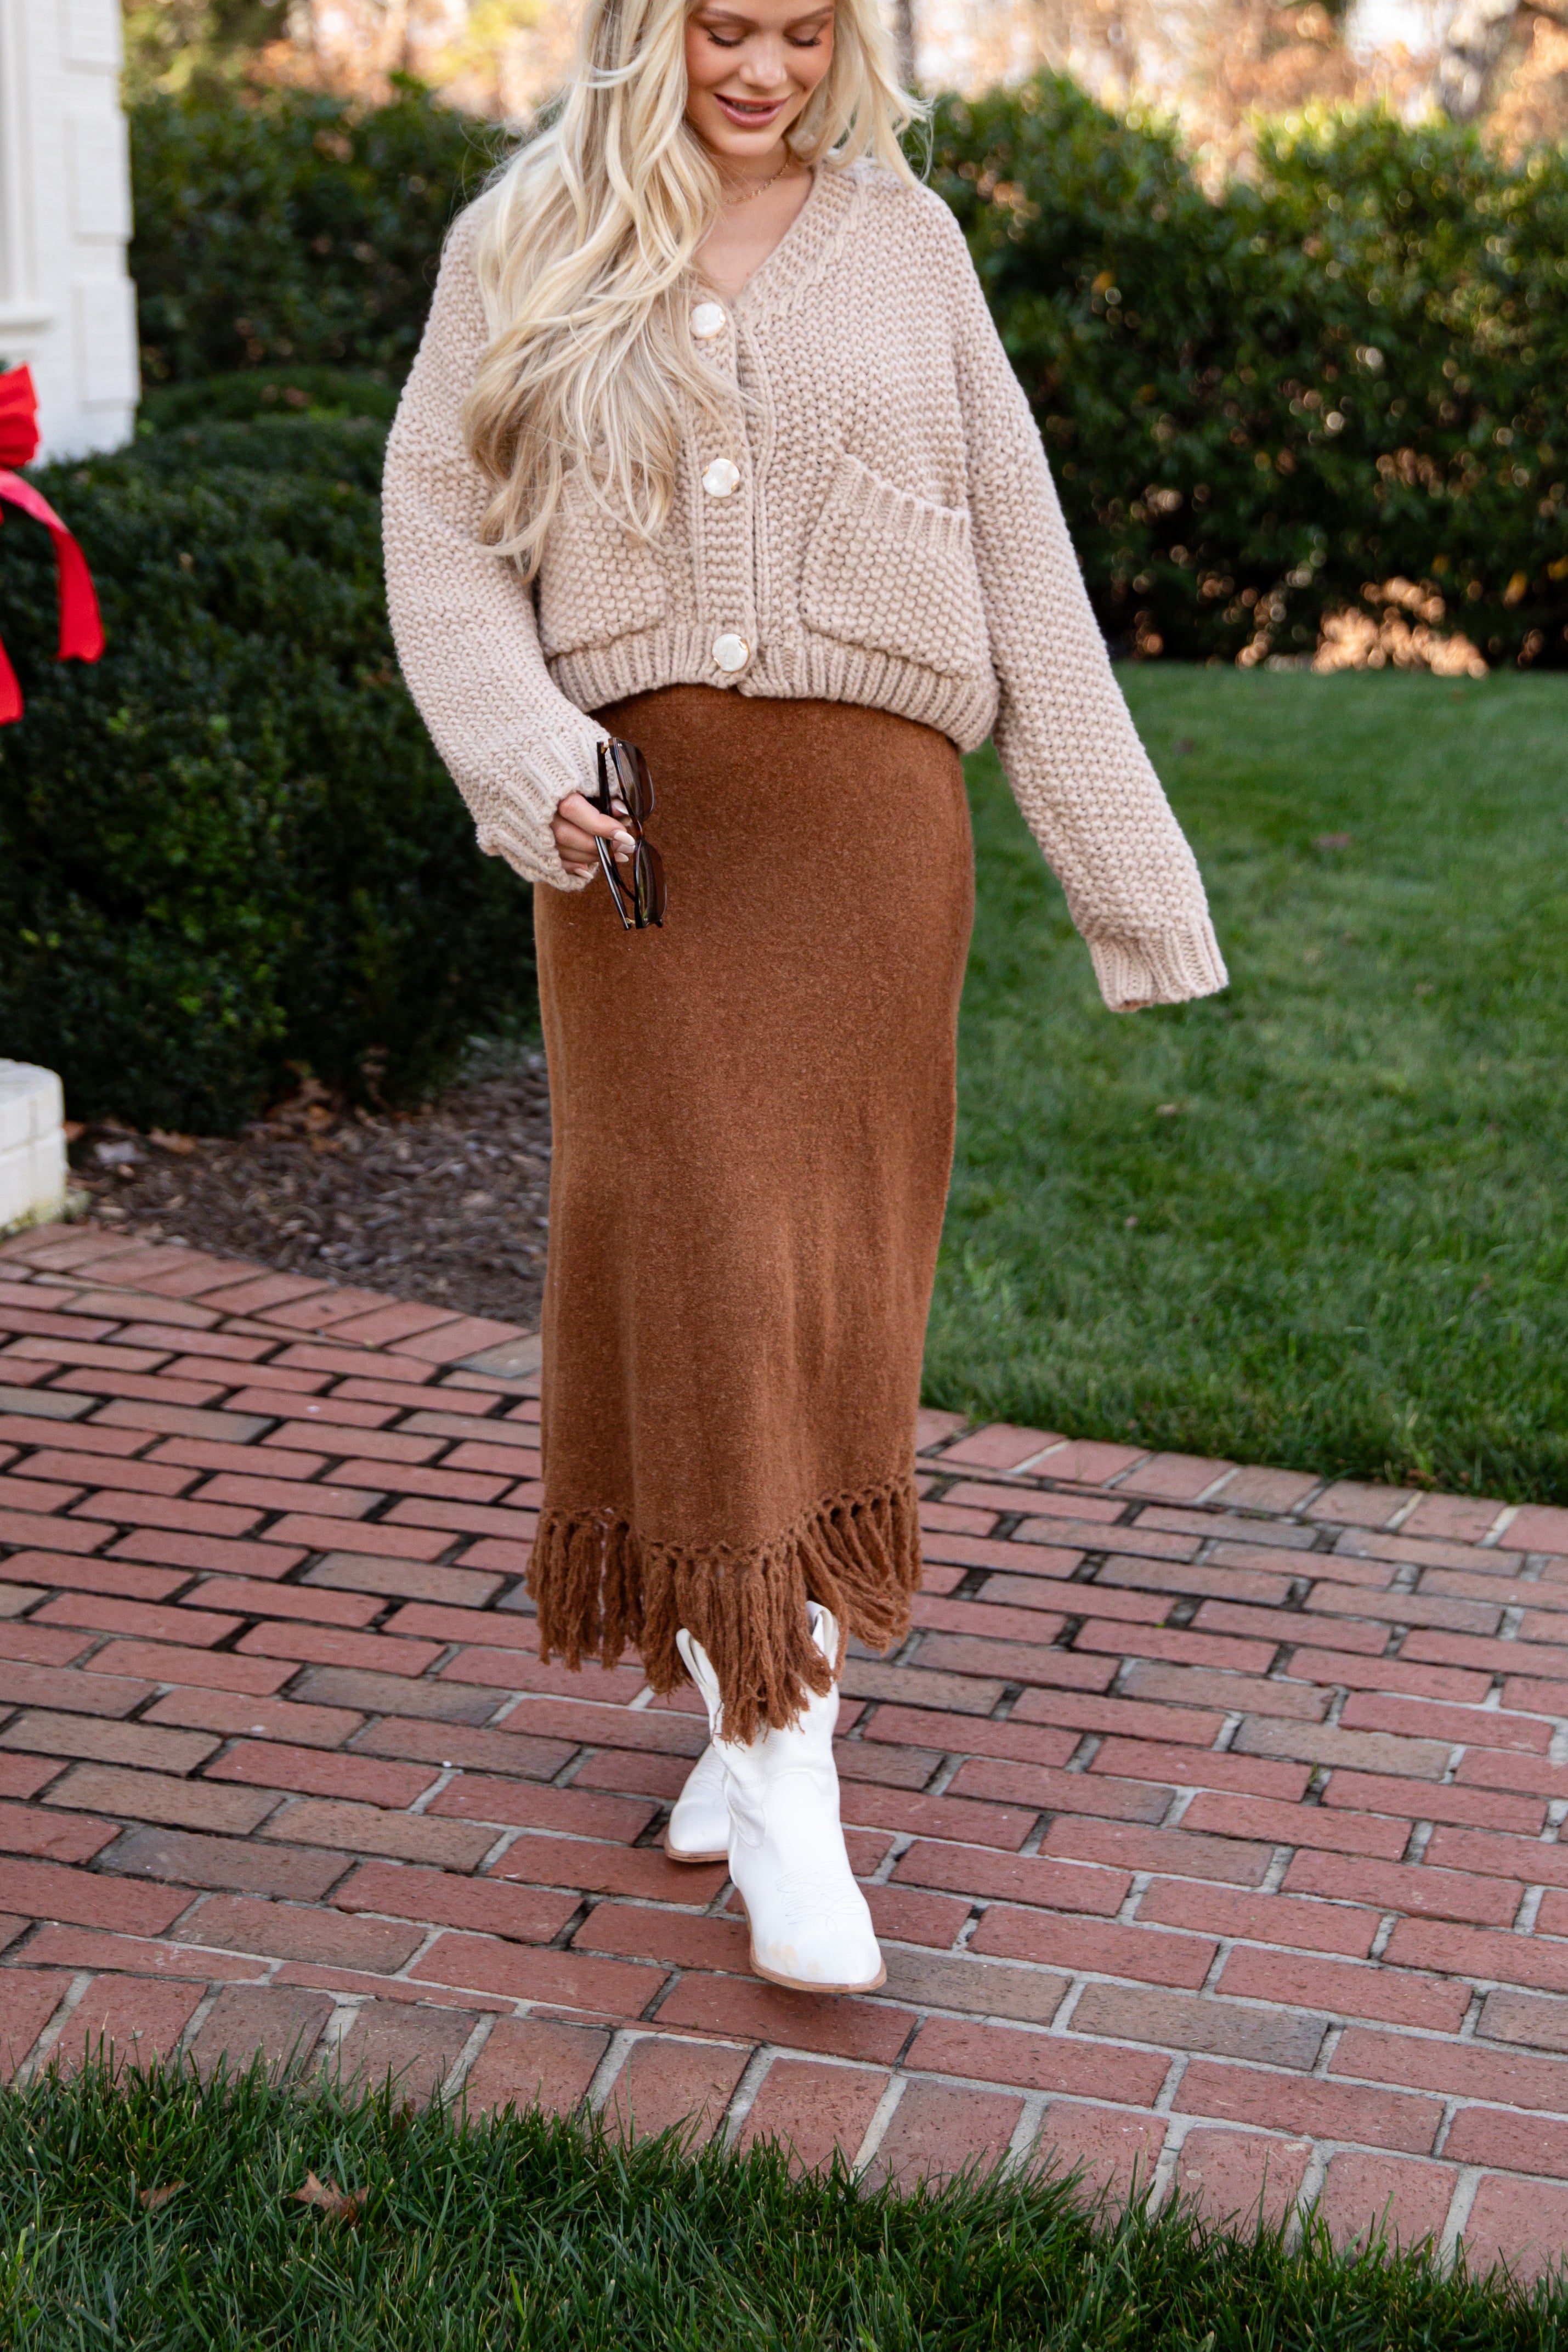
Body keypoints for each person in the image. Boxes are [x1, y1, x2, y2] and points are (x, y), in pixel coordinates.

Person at [382, 0, 1226, 1998]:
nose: (757, 69)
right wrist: (528, 758)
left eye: (798, 31)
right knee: (694, 1263)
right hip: (638, 839)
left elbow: (1025, 565)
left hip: (864, 841)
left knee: (817, 1277)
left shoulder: (905, 241)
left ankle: (758, 1722)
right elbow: (438, 531)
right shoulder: (523, 242)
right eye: (719, 28)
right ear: (639, 29)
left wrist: (1135, 888)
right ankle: (778, 1767)